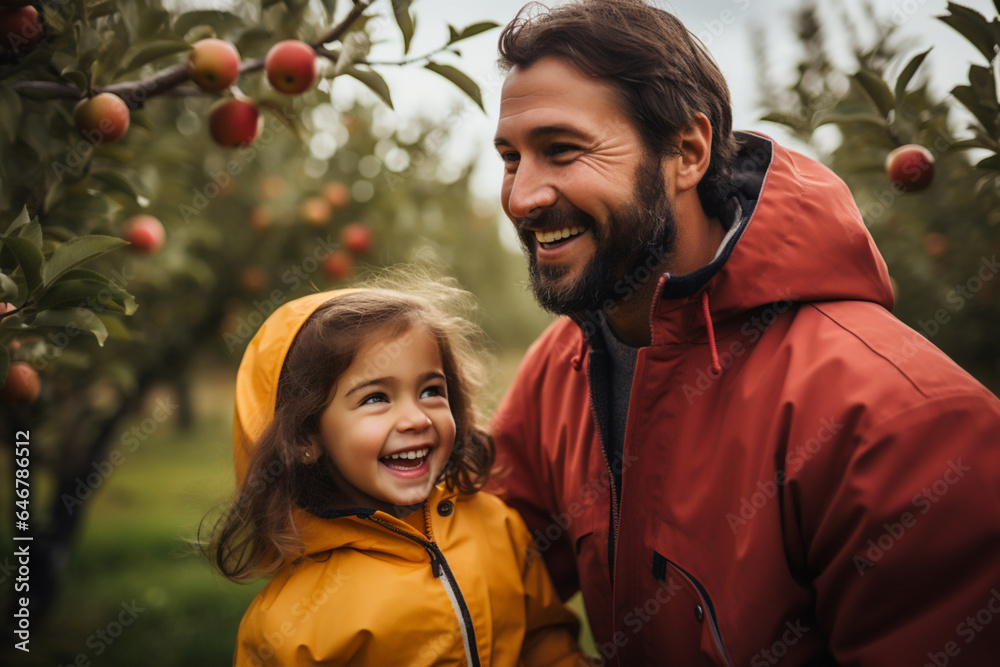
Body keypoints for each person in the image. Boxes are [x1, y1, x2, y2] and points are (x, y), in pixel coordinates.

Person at [489, 1, 1000, 665]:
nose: (522, 196)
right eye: (509, 158)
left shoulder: (901, 423)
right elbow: (481, 580)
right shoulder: (560, 369)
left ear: (688, 151)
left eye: (562, 150)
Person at [207, 279, 584, 666]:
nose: (416, 419)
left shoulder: (498, 526)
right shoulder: (290, 622)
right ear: (305, 435)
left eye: (431, 390)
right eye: (376, 398)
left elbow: (543, 641)